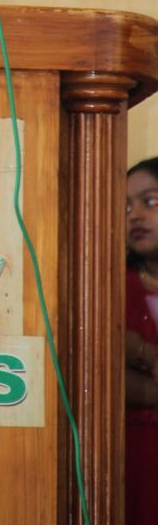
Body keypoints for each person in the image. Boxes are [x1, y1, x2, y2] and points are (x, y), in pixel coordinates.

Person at [125, 156, 158, 525]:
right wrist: (147, 353)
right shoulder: (111, 287)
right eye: (126, 207)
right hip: (133, 460)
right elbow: (102, 378)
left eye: (151, 201)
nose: (135, 215)